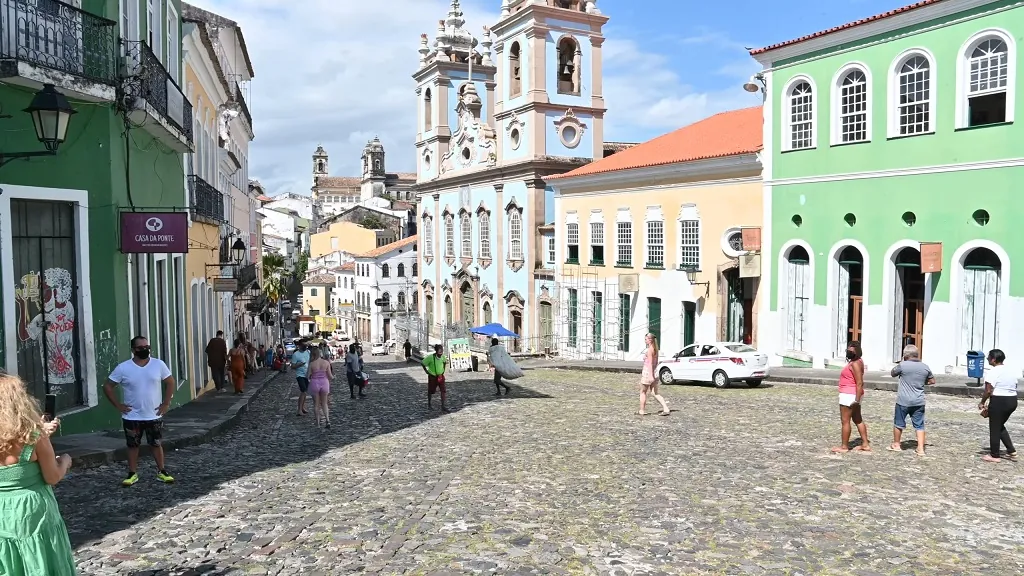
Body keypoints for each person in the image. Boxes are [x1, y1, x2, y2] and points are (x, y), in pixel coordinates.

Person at [0, 374, 76, 575]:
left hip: (2, 511)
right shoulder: (36, 436)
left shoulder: (37, 435)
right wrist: (65, 461)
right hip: (32, 512)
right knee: (39, 557)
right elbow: (52, 477)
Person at [103, 336, 176, 486]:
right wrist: (118, 405)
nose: (144, 350)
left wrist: (166, 403)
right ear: (133, 350)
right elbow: (108, 386)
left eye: (147, 347)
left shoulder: (158, 364)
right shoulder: (124, 368)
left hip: (153, 414)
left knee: (156, 444)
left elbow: (170, 382)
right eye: (140, 347)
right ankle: (132, 473)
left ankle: (162, 471)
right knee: (132, 445)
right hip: (132, 416)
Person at [889, 344, 935, 456]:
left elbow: (892, 373)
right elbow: (932, 381)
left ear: (906, 355)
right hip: (918, 401)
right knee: (919, 425)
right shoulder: (925, 367)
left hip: (903, 400)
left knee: (899, 423)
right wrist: (921, 382)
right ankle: (920, 448)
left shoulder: (903, 365)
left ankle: (896, 444)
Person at [979, 348, 1018, 463]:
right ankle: (1011, 451)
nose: (987, 359)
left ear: (993, 359)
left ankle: (994, 455)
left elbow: (988, 390)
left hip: (999, 400)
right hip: (1012, 400)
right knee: (999, 425)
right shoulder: (1010, 370)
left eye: (988, 357)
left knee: (994, 428)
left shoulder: (992, 371)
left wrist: (982, 402)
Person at [832, 340, 870, 453]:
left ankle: (844, 446)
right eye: (848, 350)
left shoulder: (855, 364)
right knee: (857, 419)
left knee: (845, 421)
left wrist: (856, 400)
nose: (848, 352)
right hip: (853, 394)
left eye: (851, 351)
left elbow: (859, 382)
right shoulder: (858, 361)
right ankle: (865, 443)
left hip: (849, 395)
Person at [638, 333, 670, 416]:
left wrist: (650, 375)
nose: (645, 340)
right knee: (655, 393)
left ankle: (642, 410)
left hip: (648, 373)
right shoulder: (655, 349)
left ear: (650, 340)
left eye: (646, 339)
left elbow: (650, 363)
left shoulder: (650, 350)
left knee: (643, 392)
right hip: (655, 372)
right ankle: (666, 408)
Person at [307, 347, 334, 429]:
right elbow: (330, 376)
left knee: (316, 405)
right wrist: (333, 377)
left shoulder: (312, 364)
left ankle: (318, 423)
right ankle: (327, 420)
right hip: (324, 382)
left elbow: (308, 376)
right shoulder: (326, 362)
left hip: (315, 383)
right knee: (324, 403)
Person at [422, 344, 448, 412]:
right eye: (439, 351)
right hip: (433, 377)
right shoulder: (430, 357)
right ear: (436, 351)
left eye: (441, 351)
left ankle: (443, 406)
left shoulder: (443, 357)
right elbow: (423, 363)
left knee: (443, 390)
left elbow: (445, 362)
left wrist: (443, 370)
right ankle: (429, 404)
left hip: (440, 376)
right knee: (431, 391)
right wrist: (427, 372)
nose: (440, 353)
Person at [291, 341, 311, 416]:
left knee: (305, 392)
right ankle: (299, 410)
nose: (305, 347)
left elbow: (310, 362)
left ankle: (302, 407)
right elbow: (292, 366)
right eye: (303, 345)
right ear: (299, 346)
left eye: (305, 345)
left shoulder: (308, 352)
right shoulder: (296, 355)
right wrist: (299, 364)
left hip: (307, 375)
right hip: (300, 375)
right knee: (303, 391)